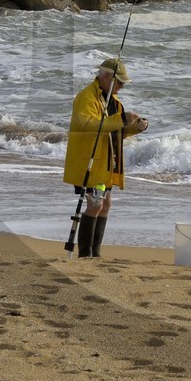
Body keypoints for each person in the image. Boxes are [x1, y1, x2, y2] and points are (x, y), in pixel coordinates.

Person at [63, 57, 147, 258]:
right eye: (120, 83)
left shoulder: (114, 103)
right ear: (107, 77)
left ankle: (95, 253)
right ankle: (85, 254)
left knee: (105, 204)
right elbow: (90, 126)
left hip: (106, 165)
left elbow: (116, 132)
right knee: (95, 205)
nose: (122, 87)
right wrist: (121, 119)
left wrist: (136, 127)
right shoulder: (86, 98)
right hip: (90, 164)